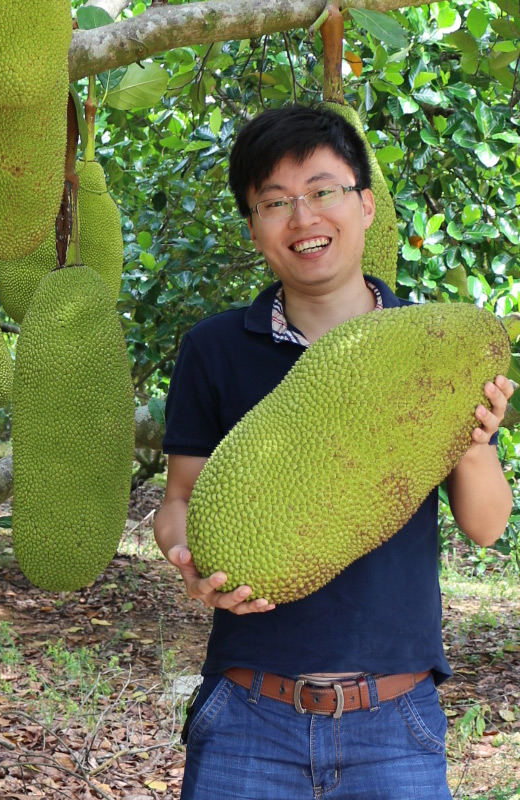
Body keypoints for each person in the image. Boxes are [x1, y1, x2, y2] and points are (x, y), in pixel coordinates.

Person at [153, 104, 514, 800]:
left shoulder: (433, 346)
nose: (304, 218)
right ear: (255, 226)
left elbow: (488, 524)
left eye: (323, 192)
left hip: (394, 719)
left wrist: (470, 441)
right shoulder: (216, 348)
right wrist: (185, 559)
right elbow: (180, 500)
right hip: (248, 711)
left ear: (366, 205)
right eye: (276, 202)